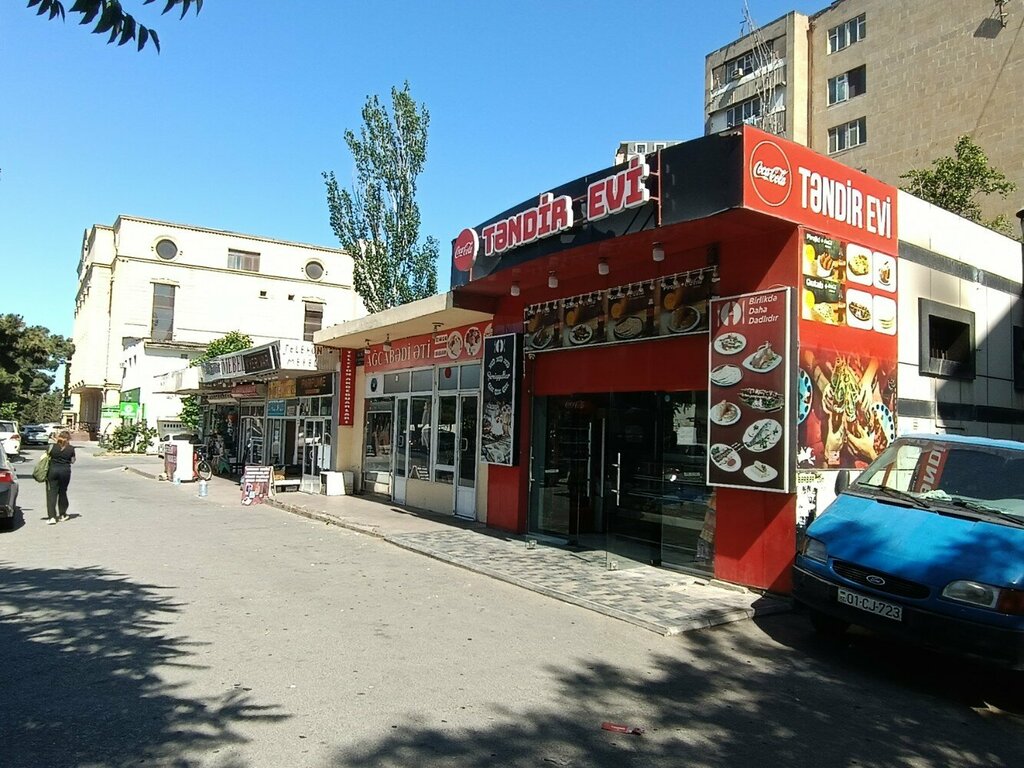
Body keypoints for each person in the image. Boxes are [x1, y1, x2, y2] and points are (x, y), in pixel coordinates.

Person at [46, 430, 77, 524]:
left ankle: (52, 517)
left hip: (53, 471)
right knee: (63, 492)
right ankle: (63, 514)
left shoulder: (51, 447)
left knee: (51, 493)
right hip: (65, 472)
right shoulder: (71, 448)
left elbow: (46, 456)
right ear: (68, 439)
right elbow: (73, 461)